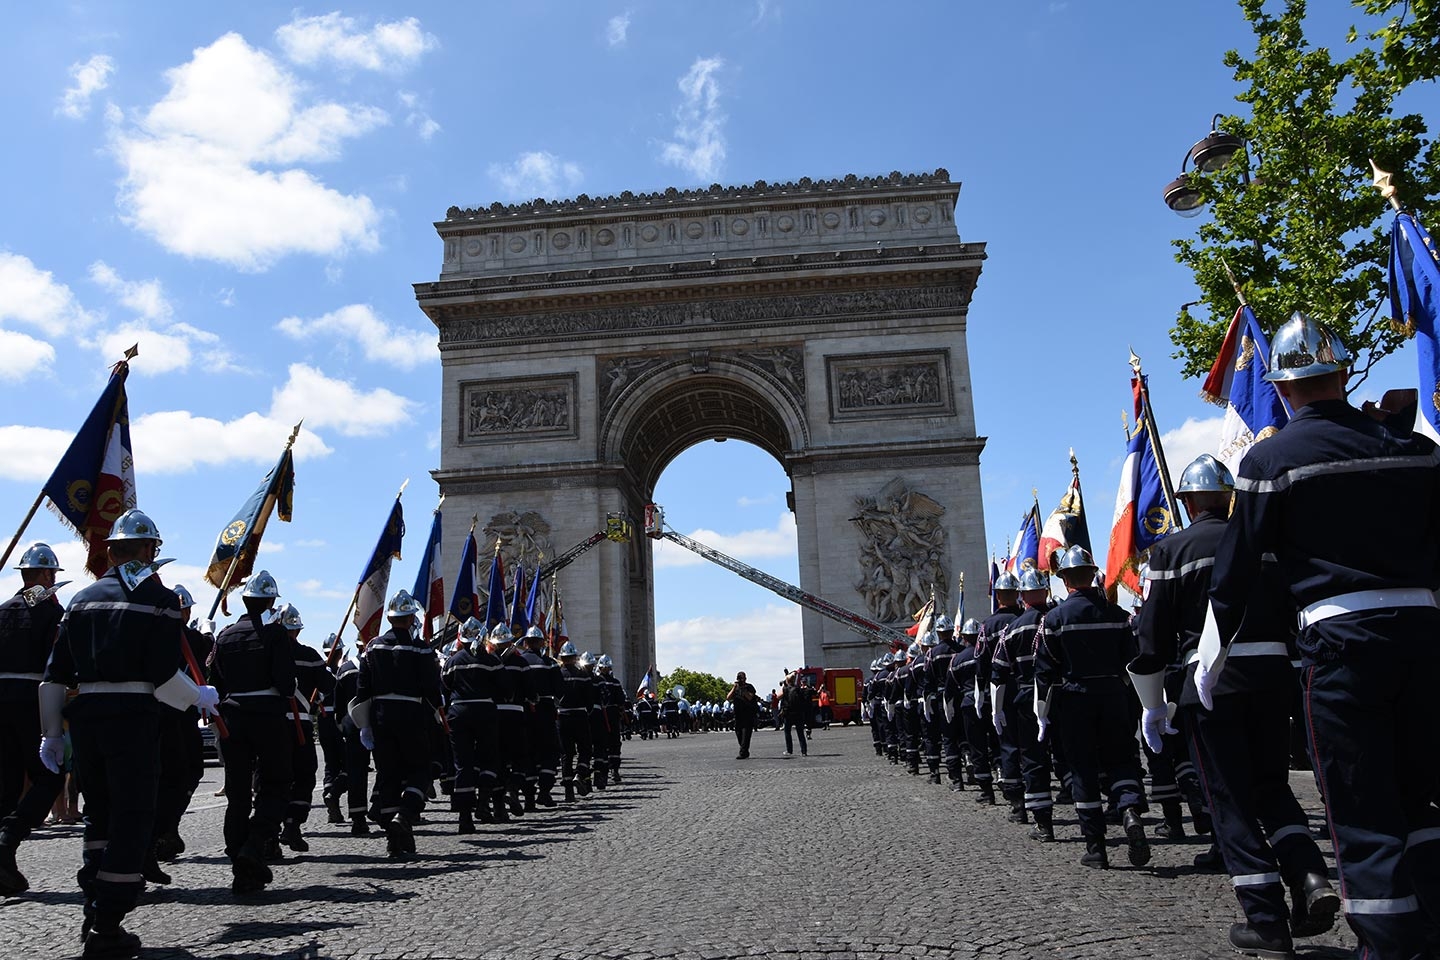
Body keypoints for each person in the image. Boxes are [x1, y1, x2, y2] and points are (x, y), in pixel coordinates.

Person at [1204, 314, 1440, 960]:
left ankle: (1388, 946)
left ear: (1281, 389)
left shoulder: (1270, 460)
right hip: (1424, 639)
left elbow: (1235, 575)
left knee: (1363, 812)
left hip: (1340, 650)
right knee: (1422, 798)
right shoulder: (1415, 450)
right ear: (1341, 374)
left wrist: (1208, 664)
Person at [1132, 453, 1338, 958]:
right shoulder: (1264, 544)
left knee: (1228, 798)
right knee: (1272, 787)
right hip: (1273, 677)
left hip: (1210, 685)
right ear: (1229, 498)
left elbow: (1152, 634)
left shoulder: (1169, 551)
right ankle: (1309, 872)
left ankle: (1266, 921)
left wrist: (1152, 702)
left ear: (1185, 502)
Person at [40, 509, 219, 956]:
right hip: (133, 717)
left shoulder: (79, 599)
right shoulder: (157, 598)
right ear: (146, 549)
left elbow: (54, 677)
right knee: (133, 818)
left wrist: (52, 735)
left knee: (99, 818)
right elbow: (160, 675)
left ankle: (92, 904)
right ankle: (107, 924)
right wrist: (198, 696)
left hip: (88, 717)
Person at [1034, 546, 1148, 869]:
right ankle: (1128, 810)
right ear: (1091, 574)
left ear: (1066, 580)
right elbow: (1133, 661)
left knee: (1083, 768)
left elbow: (1045, 669)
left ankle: (1096, 847)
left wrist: (1044, 712)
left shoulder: (1054, 620)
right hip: (1113, 695)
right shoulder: (1118, 616)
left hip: (1075, 698)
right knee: (1122, 759)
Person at [210, 569, 295, 895]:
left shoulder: (225, 636)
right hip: (267, 717)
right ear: (272, 601)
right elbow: (286, 684)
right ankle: (255, 843)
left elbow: (216, 684)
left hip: (233, 719)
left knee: (238, 793)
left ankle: (239, 861)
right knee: (275, 784)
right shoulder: (276, 634)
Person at [351, 590, 441, 858]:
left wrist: (365, 723)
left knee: (387, 774)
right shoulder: (420, 647)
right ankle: (404, 816)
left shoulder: (373, 647)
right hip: (411, 715)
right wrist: (435, 710)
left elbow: (362, 687)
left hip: (380, 716)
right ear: (411, 617)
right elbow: (431, 687)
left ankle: (395, 839)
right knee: (420, 770)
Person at [0, 542, 68, 896]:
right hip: (33, 701)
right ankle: (8, 839)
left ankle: (3, 861)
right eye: (52, 574)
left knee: (7, 784)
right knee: (49, 776)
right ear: (43, 575)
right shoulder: (50, 614)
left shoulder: (1, 609)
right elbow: (56, 666)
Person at [150, 584, 214, 875]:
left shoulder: (166, 634)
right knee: (182, 774)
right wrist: (210, 634)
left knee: (179, 775)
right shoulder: (185, 636)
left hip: (169, 714)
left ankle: (167, 828)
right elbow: (204, 646)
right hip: (174, 714)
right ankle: (163, 829)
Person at [279, 603, 331, 855]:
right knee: (304, 776)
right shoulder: (310, 655)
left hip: (273, 723)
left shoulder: (268, 652)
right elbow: (329, 684)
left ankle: (269, 833)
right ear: (297, 631)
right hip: (298, 723)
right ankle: (292, 825)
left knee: (272, 779)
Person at [441, 618, 501, 833]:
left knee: (463, 765)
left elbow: (445, 688)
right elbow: (503, 689)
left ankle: (464, 817)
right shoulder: (492, 661)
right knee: (489, 759)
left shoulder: (452, 661)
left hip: (458, 713)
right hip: (485, 712)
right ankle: (483, 803)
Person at [555, 641, 593, 802]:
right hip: (580, 716)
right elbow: (590, 699)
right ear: (575, 657)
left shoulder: (557, 674)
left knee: (566, 755)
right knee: (585, 749)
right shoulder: (583, 675)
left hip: (562, 717)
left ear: (562, 658)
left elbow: (553, 695)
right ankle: (580, 773)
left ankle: (568, 792)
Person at [726, 671, 758, 759]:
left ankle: (743, 753)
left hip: (748, 714)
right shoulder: (735, 688)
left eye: (742, 678)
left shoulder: (749, 687)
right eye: (739, 678)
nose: (741, 680)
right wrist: (734, 687)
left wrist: (743, 690)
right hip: (737, 714)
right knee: (738, 733)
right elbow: (728, 697)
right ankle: (745, 750)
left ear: (745, 678)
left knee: (746, 734)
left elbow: (750, 697)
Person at [782, 672, 810, 757]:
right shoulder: (798, 689)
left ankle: (789, 750)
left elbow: (781, 697)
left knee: (787, 732)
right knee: (800, 733)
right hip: (798, 713)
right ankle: (804, 751)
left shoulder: (785, 689)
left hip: (788, 713)